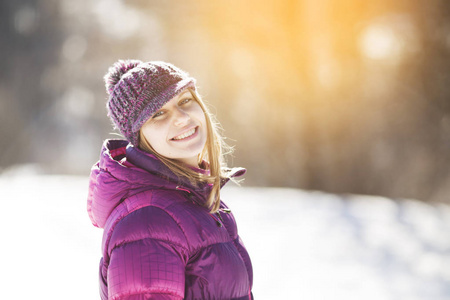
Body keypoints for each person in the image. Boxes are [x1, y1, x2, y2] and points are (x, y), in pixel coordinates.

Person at [87, 60, 254, 300]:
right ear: (139, 137)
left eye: (184, 100)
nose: (181, 118)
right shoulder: (148, 222)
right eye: (158, 114)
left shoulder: (190, 198)